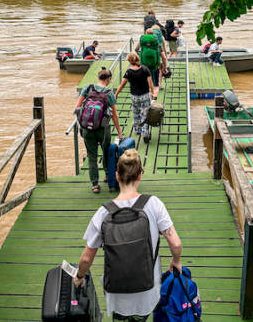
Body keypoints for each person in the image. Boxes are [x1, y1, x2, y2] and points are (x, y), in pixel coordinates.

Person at [74, 149, 183, 322]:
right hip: (148, 290)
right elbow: (176, 244)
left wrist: (79, 277)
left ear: (117, 176)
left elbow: (87, 259)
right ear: (140, 175)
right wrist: (175, 261)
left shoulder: (103, 213)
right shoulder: (154, 204)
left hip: (117, 293)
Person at [75, 67, 123, 193]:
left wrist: (82, 123)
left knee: (92, 156)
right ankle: (107, 175)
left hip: (87, 128)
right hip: (102, 128)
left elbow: (77, 107)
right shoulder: (109, 93)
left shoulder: (88, 88)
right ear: (109, 79)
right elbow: (114, 115)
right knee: (106, 151)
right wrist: (119, 132)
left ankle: (95, 184)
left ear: (98, 77)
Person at [115, 52, 155, 144]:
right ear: (138, 59)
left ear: (129, 61)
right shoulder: (145, 69)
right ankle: (145, 132)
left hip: (134, 96)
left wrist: (116, 94)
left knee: (136, 113)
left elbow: (122, 84)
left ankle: (137, 129)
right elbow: (150, 82)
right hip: (144, 95)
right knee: (145, 114)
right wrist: (152, 92)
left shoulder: (128, 72)